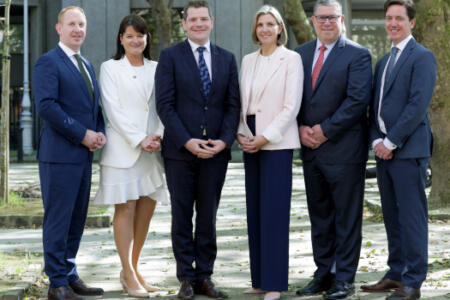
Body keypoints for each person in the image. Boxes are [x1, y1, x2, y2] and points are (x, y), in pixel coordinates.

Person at [155, 1, 240, 299]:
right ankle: (186, 279)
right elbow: (164, 105)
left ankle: (205, 276)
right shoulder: (169, 57)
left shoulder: (227, 59)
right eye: (193, 20)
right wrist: (187, 141)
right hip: (180, 152)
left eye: (203, 19)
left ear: (212, 22)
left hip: (216, 151)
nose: (199, 24)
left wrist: (225, 141)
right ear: (184, 23)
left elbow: (233, 105)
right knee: (181, 215)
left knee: (208, 216)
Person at [294, 0, 372, 299]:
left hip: (344, 151)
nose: (327, 23)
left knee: (346, 218)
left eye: (332, 17)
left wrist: (324, 131)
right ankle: (323, 274)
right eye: (321, 18)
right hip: (311, 151)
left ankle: (345, 279)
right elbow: (293, 98)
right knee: (320, 217)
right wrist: (300, 127)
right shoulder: (299, 55)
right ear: (313, 21)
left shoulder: (358, 54)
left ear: (341, 19)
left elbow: (357, 100)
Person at [361, 1, 436, 299]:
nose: (392, 23)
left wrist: (390, 141)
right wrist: (376, 142)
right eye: (388, 18)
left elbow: (417, 105)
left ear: (412, 23)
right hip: (383, 151)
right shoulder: (383, 61)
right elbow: (374, 108)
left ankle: (413, 281)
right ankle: (396, 272)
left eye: (399, 18)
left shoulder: (423, 57)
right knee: (391, 216)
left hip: (407, 150)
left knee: (411, 217)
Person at [32, 6, 105, 300]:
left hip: (83, 155)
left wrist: (98, 132)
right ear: (58, 28)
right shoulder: (48, 62)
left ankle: (69, 272)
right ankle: (57, 283)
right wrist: (83, 134)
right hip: (59, 156)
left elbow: (92, 108)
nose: (78, 29)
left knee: (76, 220)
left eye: (82, 24)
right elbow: (47, 106)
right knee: (59, 220)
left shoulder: (85, 64)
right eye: (71, 24)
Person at [93, 14, 167, 298]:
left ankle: (133, 270)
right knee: (125, 209)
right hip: (123, 149)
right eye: (129, 35)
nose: (135, 40)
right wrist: (139, 139)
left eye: (140, 35)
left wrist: (157, 135)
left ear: (146, 38)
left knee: (146, 210)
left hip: (153, 150)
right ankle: (127, 270)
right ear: (121, 39)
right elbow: (113, 110)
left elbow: (163, 104)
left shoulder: (157, 68)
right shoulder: (110, 68)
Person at [236, 5, 303, 300]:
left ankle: (275, 282)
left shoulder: (291, 59)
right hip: (250, 136)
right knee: (255, 211)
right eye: (260, 24)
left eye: (270, 24)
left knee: (274, 212)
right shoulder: (248, 60)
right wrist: (242, 132)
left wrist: (264, 137)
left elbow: (291, 106)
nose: (265, 29)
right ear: (256, 29)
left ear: (279, 29)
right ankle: (260, 278)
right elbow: (240, 102)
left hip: (276, 139)